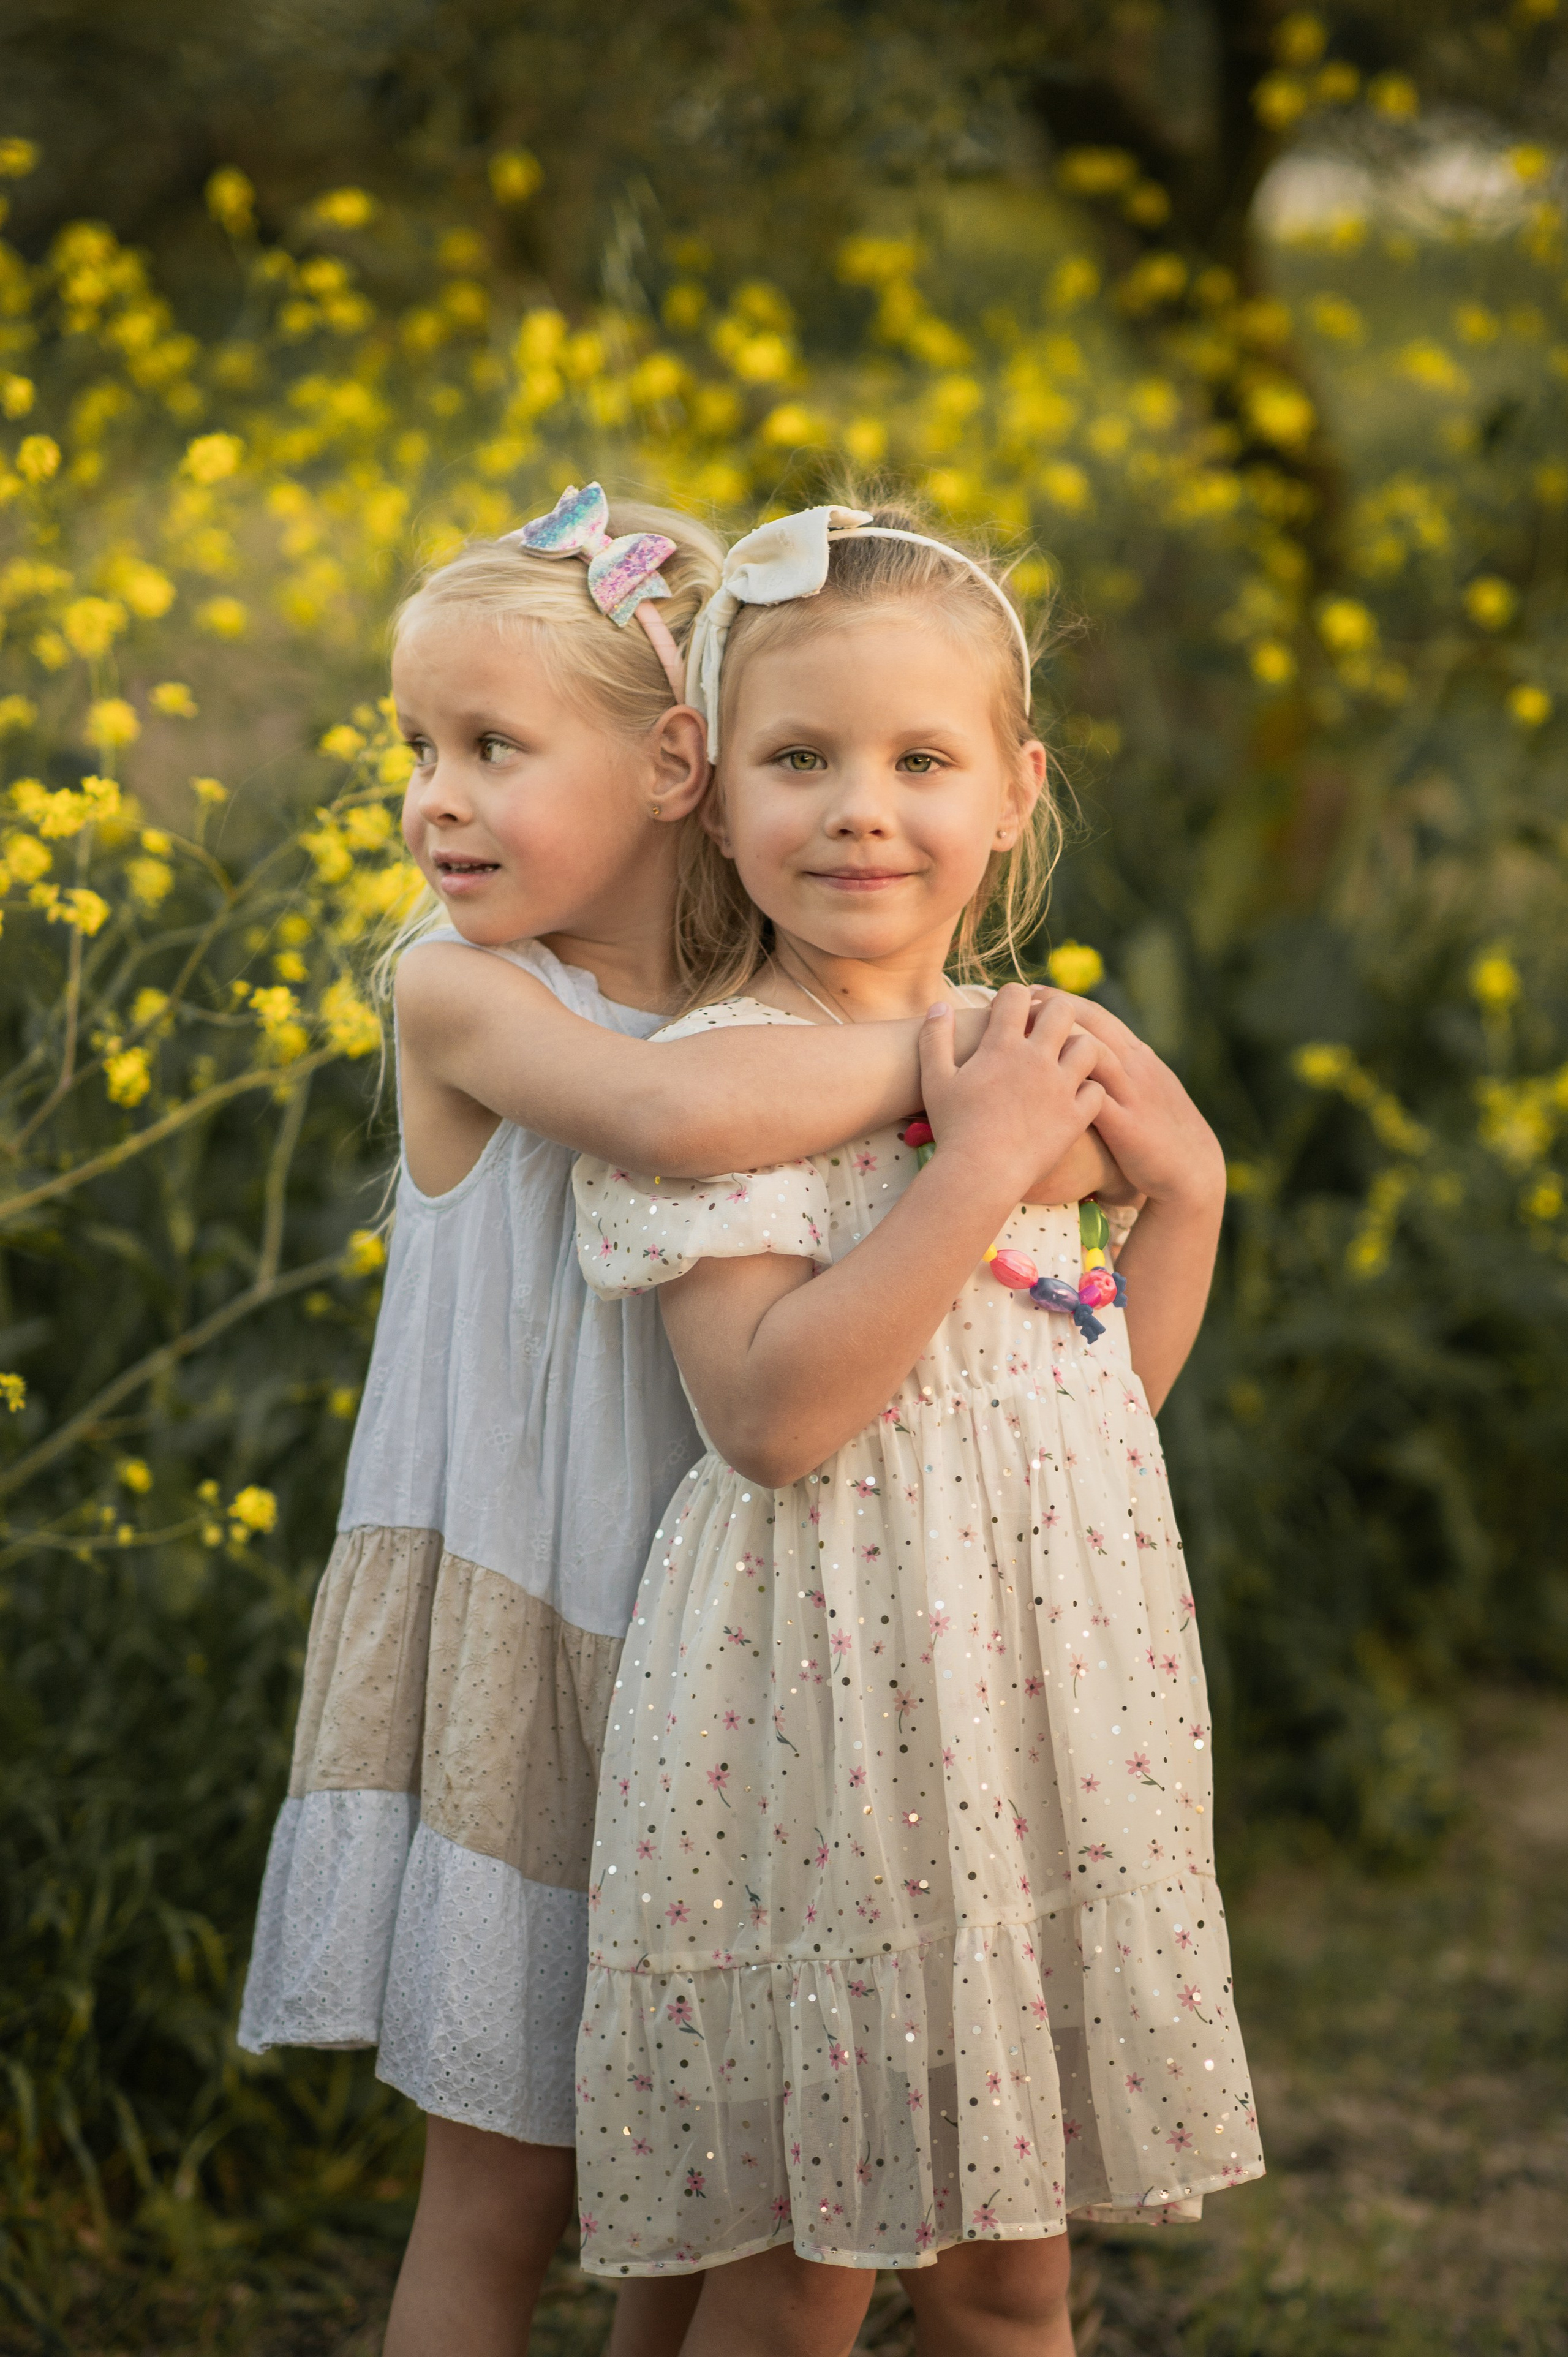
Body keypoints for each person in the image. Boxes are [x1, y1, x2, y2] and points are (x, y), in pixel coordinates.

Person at [236, 486, 1116, 2357]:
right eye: (418, 750)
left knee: (702, 2186)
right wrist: (986, 1074)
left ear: (669, 766)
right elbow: (673, 1127)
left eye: (491, 747)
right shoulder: (466, 991)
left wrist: (1013, 1101)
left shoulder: (757, 1003)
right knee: (504, 2190)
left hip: (747, 1663)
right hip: (532, 1650)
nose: (435, 799)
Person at [571, 503, 1265, 2356]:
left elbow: (1097, 1402)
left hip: (1041, 1690)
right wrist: (977, 1169)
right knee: (806, 2250)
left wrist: (1183, 1192)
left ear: (1016, 792)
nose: (861, 808)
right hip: (819, 1714)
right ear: (713, 797)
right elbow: (775, 1423)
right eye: (801, 759)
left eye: (920, 760)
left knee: (1015, 2267)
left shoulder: (1041, 1044)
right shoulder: (708, 1090)